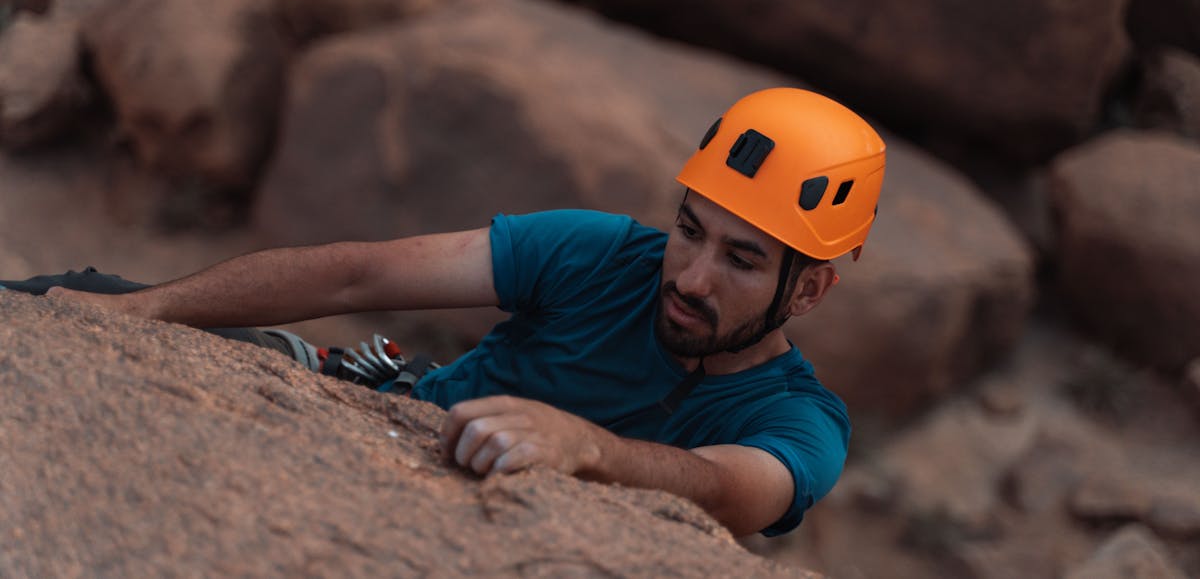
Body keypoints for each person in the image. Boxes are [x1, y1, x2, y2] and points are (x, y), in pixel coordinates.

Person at [2, 88, 886, 537]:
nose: (690, 275)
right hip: (393, 402)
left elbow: (735, 490)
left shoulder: (798, 421)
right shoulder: (604, 253)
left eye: (741, 258)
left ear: (807, 289)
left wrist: (589, 449)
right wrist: (137, 315)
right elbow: (355, 277)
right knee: (76, 291)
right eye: (689, 230)